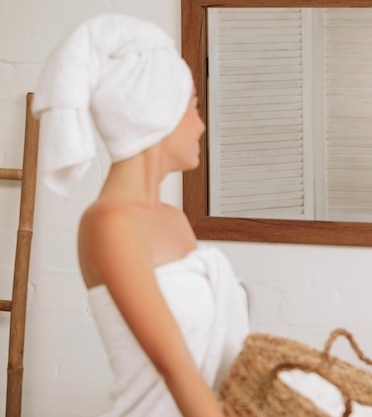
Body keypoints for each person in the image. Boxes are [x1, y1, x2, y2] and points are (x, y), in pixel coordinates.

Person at [32, 14, 249, 417]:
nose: (201, 126)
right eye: (195, 108)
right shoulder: (108, 224)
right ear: (158, 113)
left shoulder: (174, 219)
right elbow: (175, 367)